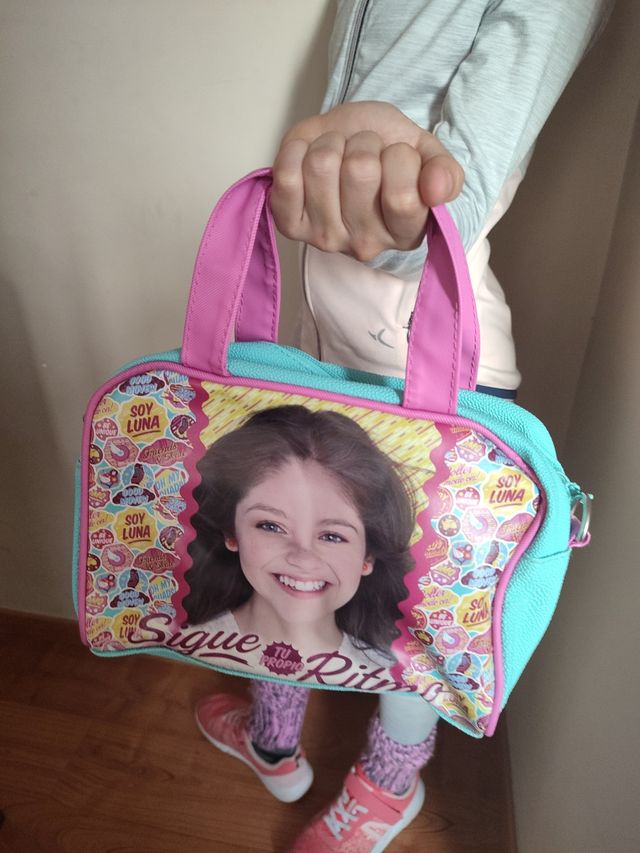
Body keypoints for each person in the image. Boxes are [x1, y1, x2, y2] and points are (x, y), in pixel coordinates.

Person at [196, 2, 612, 850]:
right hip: (329, 350)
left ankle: (389, 784)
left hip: (429, 366)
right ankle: (274, 741)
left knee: (411, 608)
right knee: (284, 554)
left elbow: (451, 211)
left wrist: (351, 181)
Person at [183, 404, 415, 669]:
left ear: (368, 556)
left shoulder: (392, 676)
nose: (302, 558)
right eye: (271, 526)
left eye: (332, 536)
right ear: (232, 532)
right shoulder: (181, 649)